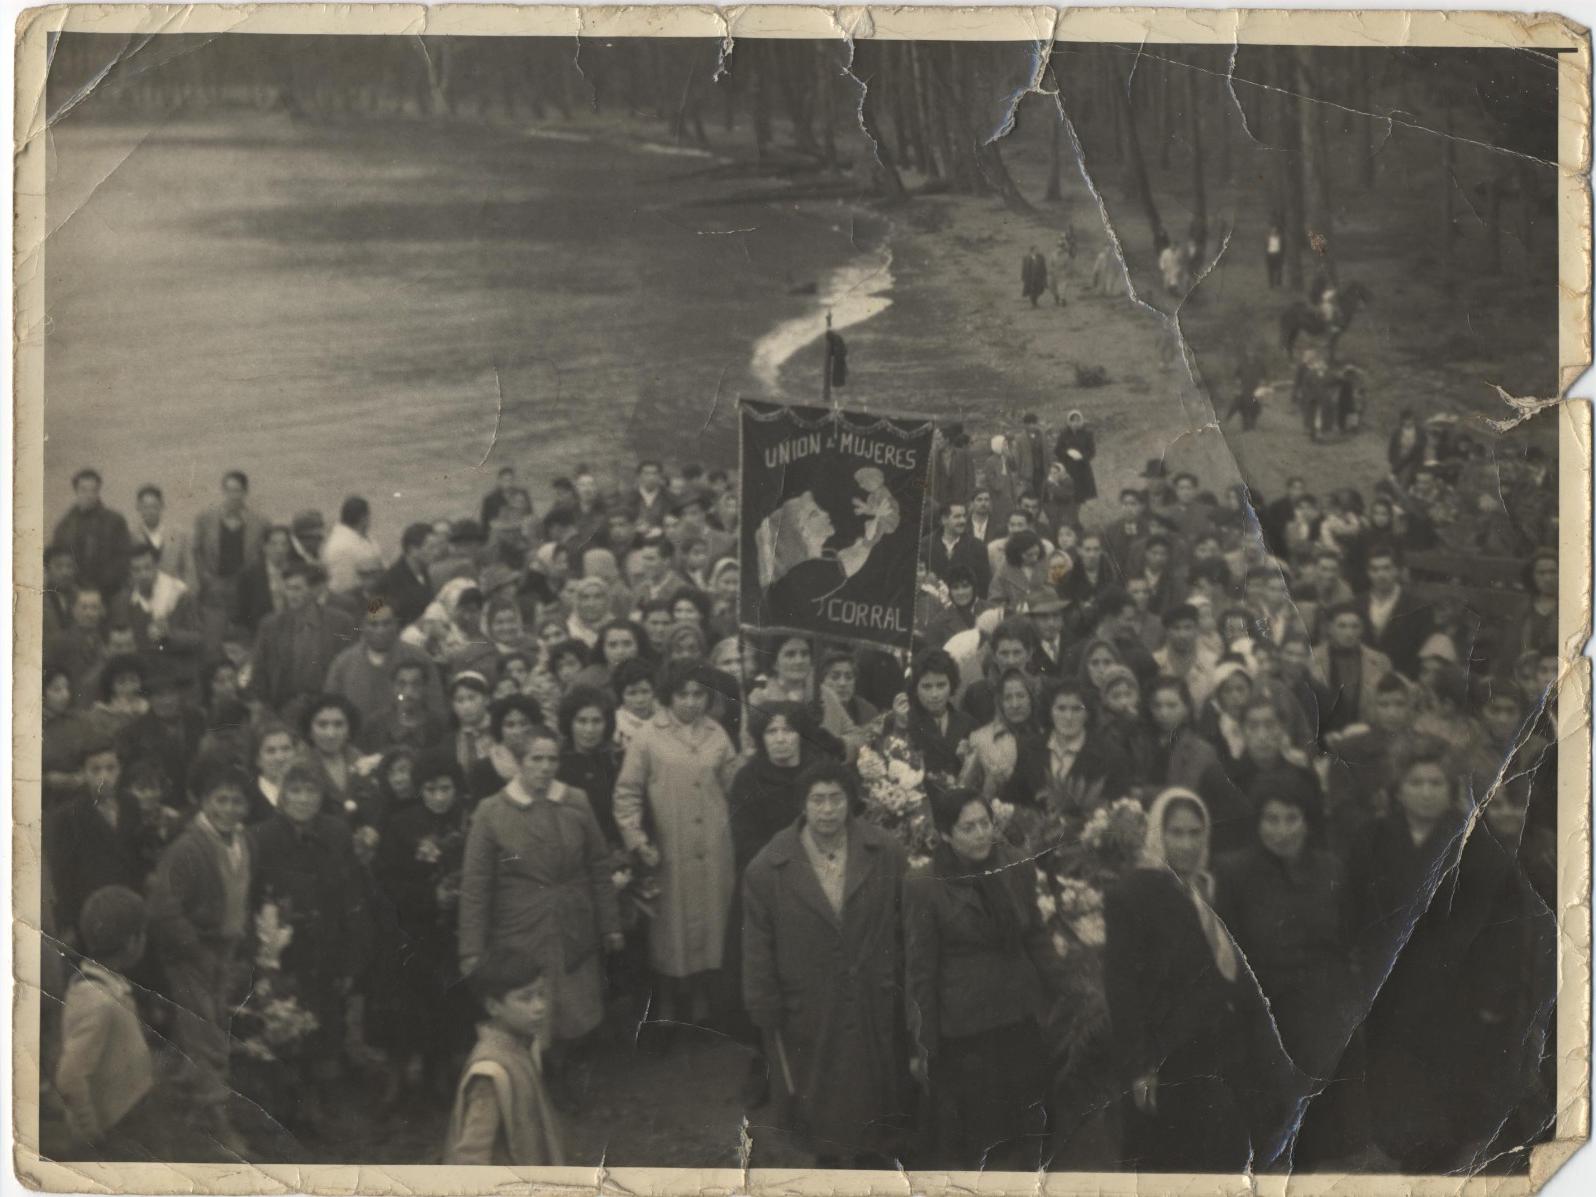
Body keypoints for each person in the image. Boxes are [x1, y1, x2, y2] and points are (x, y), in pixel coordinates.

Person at [742, 762, 909, 1164]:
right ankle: (830, 1160)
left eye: (837, 799)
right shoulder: (768, 868)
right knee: (820, 1095)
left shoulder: (885, 852)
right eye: (818, 800)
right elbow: (756, 949)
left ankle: (877, 1155)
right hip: (809, 1006)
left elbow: (907, 926)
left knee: (878, 1086)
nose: (828, 809)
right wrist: (764, 1006)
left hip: (874, 997)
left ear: (850, 802)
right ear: (802, 805)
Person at [458, 721, 621, 1111]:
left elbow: (598, 865)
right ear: (517, 762)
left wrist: (611, 923)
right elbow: (476, 885)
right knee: (529, 1004)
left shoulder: (576, 802)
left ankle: (565, 1076)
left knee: (571, 1005)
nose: (545, 767)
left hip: (572, 922)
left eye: (552, 759)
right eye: (536, 759)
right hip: (520, 926)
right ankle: (528, 1084)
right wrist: (471, 949)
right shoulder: (492, 812)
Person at [1103, 788, 1252, 1171]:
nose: (1187, 844)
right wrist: (1140, 1067)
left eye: (1195, 833)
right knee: (1162, 1161)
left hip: (1211, 1049)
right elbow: (1122, 990)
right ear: (1158, 834)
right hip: (1163, 1054)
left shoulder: (1208, 887)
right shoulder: (1134, 893)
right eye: (1176, 833)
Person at [906, 787, 1052, 1169]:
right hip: (968, 1026)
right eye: (967, 827)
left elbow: (1035, 934)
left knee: (1025, 1116)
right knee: (982, 1129)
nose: (979, 833)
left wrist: (1057, 994)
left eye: (984, 823)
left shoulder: (1016, 865)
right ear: (946, 834)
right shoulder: (926, 885)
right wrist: (924, 1043)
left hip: (1018, 1012)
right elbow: (921, 968)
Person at [614, 659, 739, 1034]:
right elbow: (627, 794)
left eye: (699, 694)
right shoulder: (648, 736)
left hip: (715, 848)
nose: (691, 702)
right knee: (671, 929)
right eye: (683, 694)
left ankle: (702, 998)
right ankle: (668, 1001)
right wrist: (638, 841)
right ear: (668, 696)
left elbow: (736, 789)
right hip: (669, 848)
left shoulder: (717, 734)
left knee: (712, 925)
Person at [248, 761, 371, 1131]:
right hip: (282, 950)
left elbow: (352, 894)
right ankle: (288, 1105)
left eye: (311, 792)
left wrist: (352, 954)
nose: (303, 800)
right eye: (295, 791)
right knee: (285, 1025)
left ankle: (323, 1104)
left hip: (327, 946)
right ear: (282, 796)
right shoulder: (262, 837)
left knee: (327, 1024)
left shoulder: (335, 833)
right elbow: (253, 897)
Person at [146, 755, 253, 1155]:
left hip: (225, 950)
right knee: (204, 1032)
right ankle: (218, 1124)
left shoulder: (241, 842)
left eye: (236, 801)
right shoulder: (189, 847)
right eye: (220, 800)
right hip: (193, 953)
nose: (228, 809)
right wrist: (195, 949)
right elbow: (164, 909)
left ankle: (189, 1102)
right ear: (204, 801)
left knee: (212, 1025)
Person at [53, 886, 158, 1160]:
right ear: (132, 942)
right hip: (115, 1126)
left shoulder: (104, 983)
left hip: (130, 1108)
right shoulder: (99, 1002)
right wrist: (92, 1133)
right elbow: (69, 1076)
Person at [444, 950, 564, 1166]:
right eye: (525, 998)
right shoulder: (490, 1072)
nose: (540, 1007)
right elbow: (472, 1157)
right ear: (493, 1006)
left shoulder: (520, 1047)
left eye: (541, 994)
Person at [192, 471, 271, 634]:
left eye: (238, 491)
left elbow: (265, 554)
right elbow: (196, 551)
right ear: (223, 491)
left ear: (245, 492)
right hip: (215, 585)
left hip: (245, 586)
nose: (234, 496)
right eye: (229, 490)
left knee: (243, 630)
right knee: (215, 630)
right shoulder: (206, 518)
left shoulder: (261, 522)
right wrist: (204, 577)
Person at [53, 468, 133, 599]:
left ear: (98, 492)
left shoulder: (115, 521)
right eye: (83, 490)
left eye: (93, 490)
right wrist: (75, 588)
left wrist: (100, 588)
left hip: (109, 592)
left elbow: (123, 560)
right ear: (76, 491)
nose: (89, 495)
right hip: (72, 594)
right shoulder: (64, 526)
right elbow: (57, 562)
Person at [960, 667, 1035, 799]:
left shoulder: (1046, 734)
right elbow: (966, 791)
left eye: (1021, 696)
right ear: (1000, 703)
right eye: (1008, 698)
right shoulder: (981, 739)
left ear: (1031, 698)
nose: (1015, 704)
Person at [323, 496, 383, 596]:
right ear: (364, 518)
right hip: (356, 603)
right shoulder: (348, 545)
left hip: (355, 596)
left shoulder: (348, 537)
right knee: (392, 603)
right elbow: (343, 588)